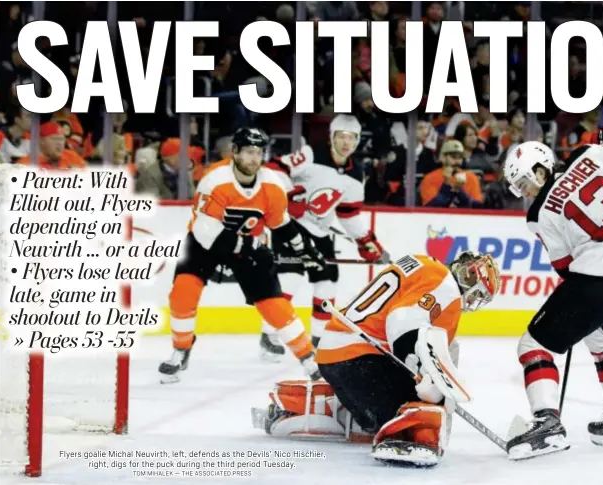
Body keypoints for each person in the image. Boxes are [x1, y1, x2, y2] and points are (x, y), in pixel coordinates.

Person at [502, 123, 603, 460]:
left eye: (525, 182)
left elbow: (563, 266)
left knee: (534, 345)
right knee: (602, 340)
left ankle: (546, 423)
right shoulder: (594, 156)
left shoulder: (540, 215)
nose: (527, 192)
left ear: (540, 166)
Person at [253, 251, 501, 467]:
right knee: (420, 412)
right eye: (475, 293)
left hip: (336, 352)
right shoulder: (447, 289)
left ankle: (312, 407)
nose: (470, 299)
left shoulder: (425, 263)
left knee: (410, 403)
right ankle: (375, 424)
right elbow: (403, 322)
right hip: (359, 358)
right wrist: (424, 375)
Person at [158, 128, 326, 383]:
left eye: (258, 153)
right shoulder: (214, 180)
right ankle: (181, 349)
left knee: (273, 303)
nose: (254, 159)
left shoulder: (272, 185)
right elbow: (207, 233)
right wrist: (248, 247)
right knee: (183, 293)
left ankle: (308, 357)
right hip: (205, 244)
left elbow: (281, 224)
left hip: (248, 244)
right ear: (235, 152)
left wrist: (304, 249)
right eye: (248, 152)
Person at [260, 115, 389, 360]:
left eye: (351, 138)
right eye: (341, 136)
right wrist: (288, 195)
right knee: (290, 280)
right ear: (332, 137)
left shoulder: (356, 174)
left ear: (358, 141)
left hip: (321, 232)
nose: (346, 142)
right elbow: (274, 169)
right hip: (290, 225)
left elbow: (347, 213)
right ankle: (269, 336)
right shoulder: (310, 154)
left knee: (327, 283)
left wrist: (365, 241)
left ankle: (319, 340)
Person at [419, 140, 483, 207]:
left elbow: (477, 208)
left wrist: (459, 191)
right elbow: (431, 209)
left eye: (460, 157)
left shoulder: (471, 177)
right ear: (443, 158)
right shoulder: (430, 178)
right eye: (453, 157)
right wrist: (446, 184)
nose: (457, 161)